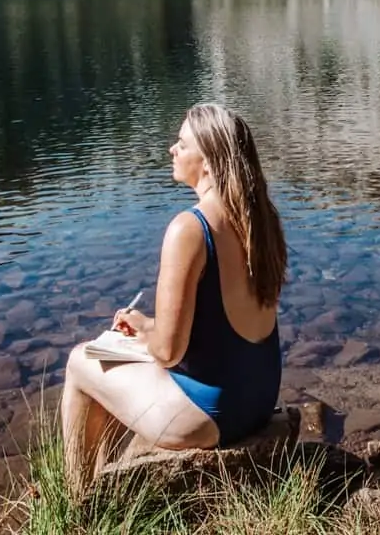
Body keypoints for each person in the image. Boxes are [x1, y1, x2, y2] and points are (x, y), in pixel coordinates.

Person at [61, 102, 288, 493]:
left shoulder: (190, 228)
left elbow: (168, 353)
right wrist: (145, 326)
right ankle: (107, 483)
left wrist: (151, 338)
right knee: (117, 345)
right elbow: (216, 329)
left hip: (212, 415)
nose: (172, 150)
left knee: (82, 362)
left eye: (182, 144)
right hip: (259, 397)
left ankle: (78, 498)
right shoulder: (260, 217)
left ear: (210, 164)